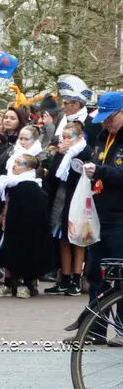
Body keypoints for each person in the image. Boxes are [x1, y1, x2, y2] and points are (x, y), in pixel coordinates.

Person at [81, 92, 123, 343]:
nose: (106, 122)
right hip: (99, 217)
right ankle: (95, 330)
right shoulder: (101, 138)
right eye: (103, 117)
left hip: (121, 219)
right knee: (96, 274)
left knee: (120, 275)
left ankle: (121, 330)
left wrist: (101, 171)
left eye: (111, 117)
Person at [45, 121, 92, 295]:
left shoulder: (85, 152)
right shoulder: (62, 154)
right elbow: (53, 176)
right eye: (63, 137)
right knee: (63, 239)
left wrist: (69, 157)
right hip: (62, 200)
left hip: (78, 199)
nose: (65, 140)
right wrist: (59, 155)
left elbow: (79, 176)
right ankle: (64, 278)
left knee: (77, 239)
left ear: (79, 137)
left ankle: (76, 278)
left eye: (69, 137)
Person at [0, 155, 48, 298]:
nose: (15, 165)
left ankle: (27, 284)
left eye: (19, 163)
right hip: (11, 224)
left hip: (27, 227)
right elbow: (7, 204)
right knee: (8, 252)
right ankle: (8, 283)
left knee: (26, 253)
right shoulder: (11, 183)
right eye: (15, 162)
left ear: (28, 168)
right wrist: (2, 218)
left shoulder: (32, 186)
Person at [56, 74, 98, 147]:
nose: (62, 107)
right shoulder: (61, 119)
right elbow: (54, 142)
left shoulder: (93, 124)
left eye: (65, 103)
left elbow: (93, 151)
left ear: (76, 105)